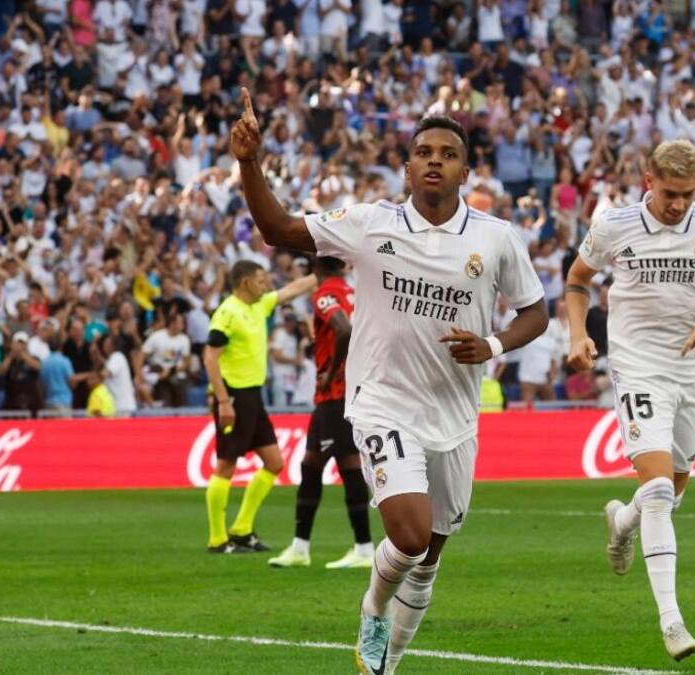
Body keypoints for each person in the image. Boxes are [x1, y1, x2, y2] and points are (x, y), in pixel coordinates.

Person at [231, 94, 547, 675]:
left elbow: (535, 311)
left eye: (448, 154)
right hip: (382, 402)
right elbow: (276, 230)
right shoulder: (370, 224)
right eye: (423, 152)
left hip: (454, 412)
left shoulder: (496, 237)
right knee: (408, 535)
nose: (434, 161)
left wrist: (495, 344)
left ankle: (386, 665)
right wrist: (250, 163)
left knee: (428, 559)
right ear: (406, 167)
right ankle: (372, 606)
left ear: (464, 171)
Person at [563, 139, 695, 661]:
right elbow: (577, 281)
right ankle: (672, 622)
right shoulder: (614, 225)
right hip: (637, 367)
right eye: (670, 193)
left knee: (670, 495)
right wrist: (577, 335)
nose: (677, 204)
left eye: (687, 194)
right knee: (656, 491)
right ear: (647, 179)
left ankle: (621, 522)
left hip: (694, 370)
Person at [202, 258, 316, 554]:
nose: (266, 283)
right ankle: (217, 539)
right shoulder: (227, 313)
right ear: (245, 282)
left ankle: (241, 530)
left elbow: (292, 290)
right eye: (261, 279)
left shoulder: (259, 305)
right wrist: (223, 400)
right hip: (235, 397)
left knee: (275, 463)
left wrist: (326, 274)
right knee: (226, 464)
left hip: (254, 397)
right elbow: (210, 358)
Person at [268, 256, 375, 570]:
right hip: (336, 394)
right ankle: (300, 548)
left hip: (336, 394)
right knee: (311, 464)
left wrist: (330, 371)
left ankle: (365, 548)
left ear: (315, 267)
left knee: (349, 463)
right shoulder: (351, 289)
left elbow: (343, 330)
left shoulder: (325, 293)